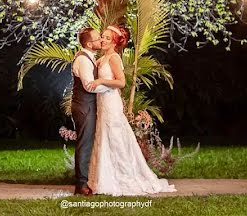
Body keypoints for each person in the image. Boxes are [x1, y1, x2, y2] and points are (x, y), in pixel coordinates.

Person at [85, 25, 176, 196]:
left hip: (111, 102)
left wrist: (101, 82)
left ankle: (123, 176)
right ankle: (103, 178)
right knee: (103, 136)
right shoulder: (102, 59)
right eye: (102, 37)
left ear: (114, 42)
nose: (102, 40)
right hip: (103, 102)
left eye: (106, 38)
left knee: (115, 137)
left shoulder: (114, 58)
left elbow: (121, 82)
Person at [70, 27, 110, 195]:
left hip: (87, 105)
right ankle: (81, 185)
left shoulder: (90, 58)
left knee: (87, 143)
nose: (100, 40)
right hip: (84, 106)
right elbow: (88, 86)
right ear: (88, 43)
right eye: (97, 38)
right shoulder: (84, 60)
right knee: (84, 144)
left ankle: (87, 180)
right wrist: (109, 87)